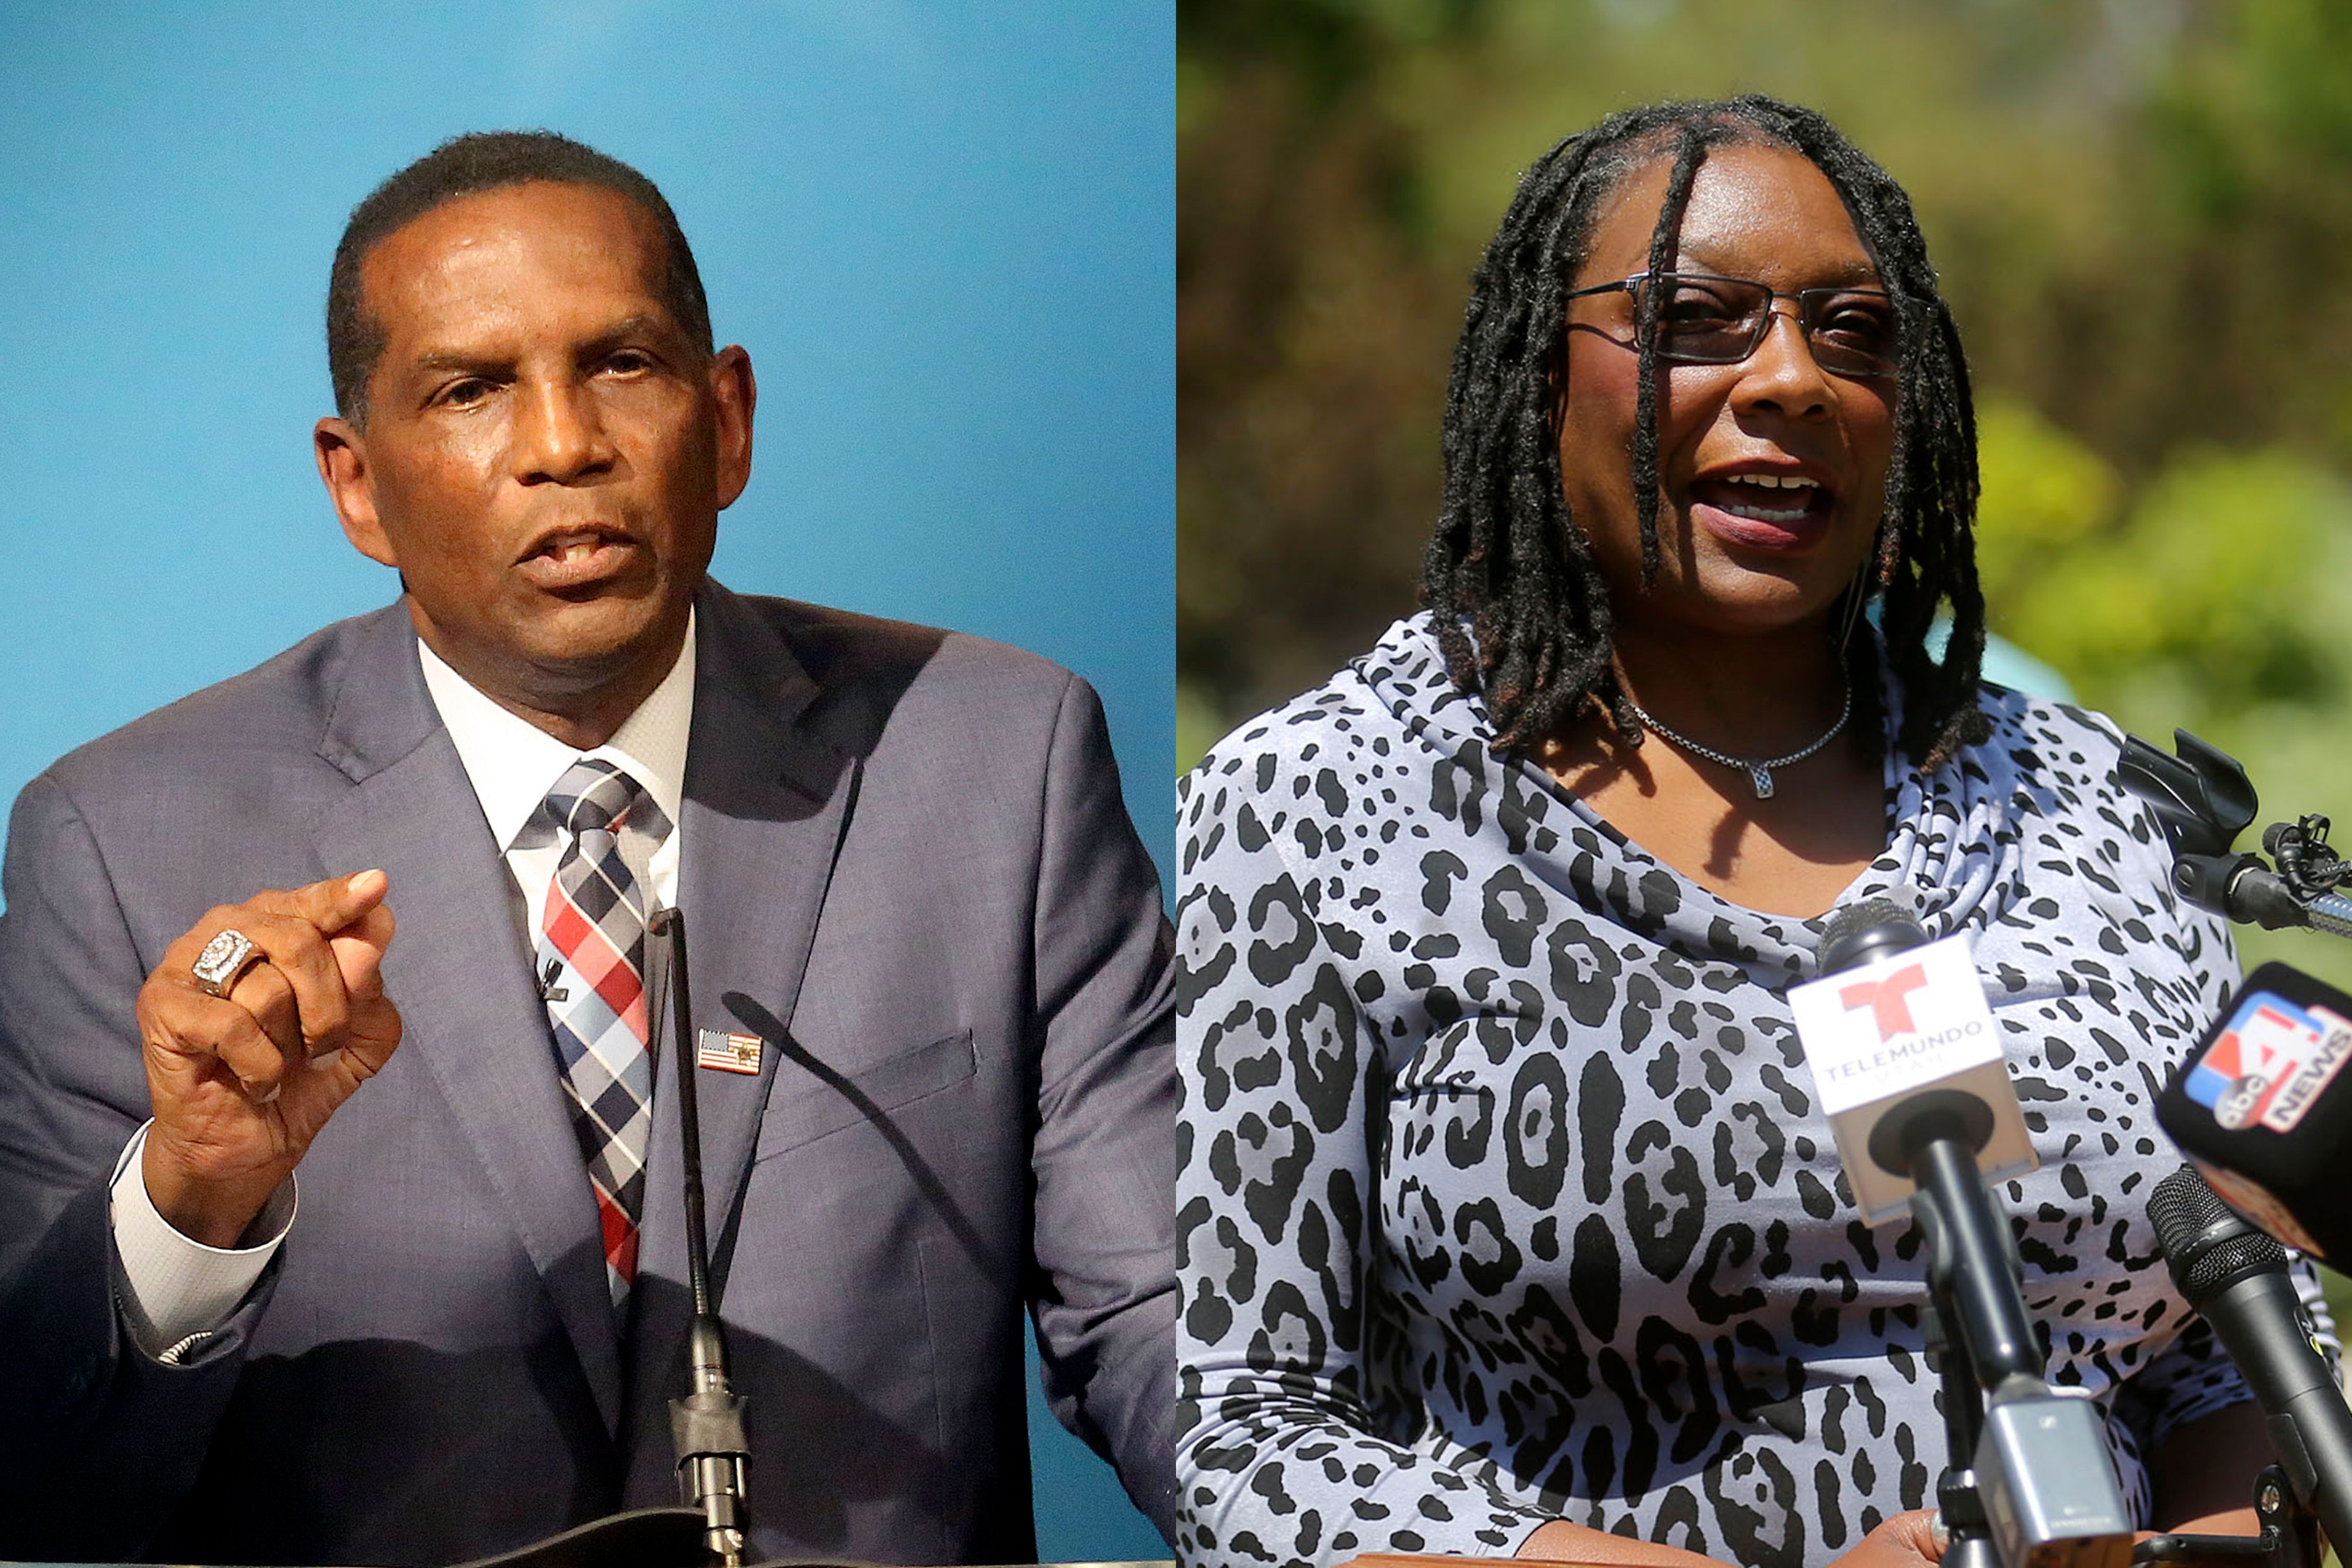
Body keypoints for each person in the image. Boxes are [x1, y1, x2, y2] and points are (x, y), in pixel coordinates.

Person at [0, 131, 1175, 1567]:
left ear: (727, 417)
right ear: (356, 484)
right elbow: (42, 1479)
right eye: (471, 390)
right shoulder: (122, 841)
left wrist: (1350, 1529)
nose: (563, 444)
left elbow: (1170, 1325)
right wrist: (197, 1198)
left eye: (621, 364)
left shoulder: (998, 762)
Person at [1174, 96, 2309, 1568]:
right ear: (1538, 377)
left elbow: (2241, 1342)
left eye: (1853, 331)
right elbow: (1240, 1432)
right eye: (1693, 317)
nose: (1791, 378)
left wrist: (2201, 1551)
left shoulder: (2088, 804)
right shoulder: (1315, 810)